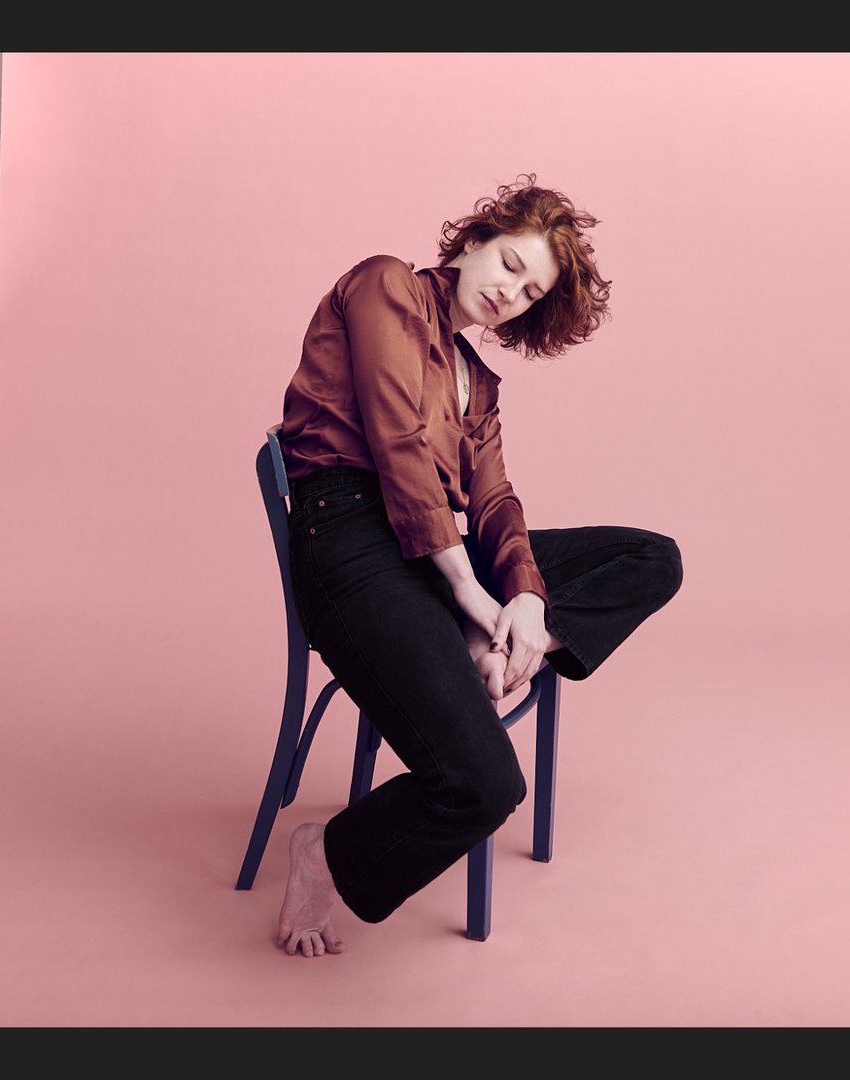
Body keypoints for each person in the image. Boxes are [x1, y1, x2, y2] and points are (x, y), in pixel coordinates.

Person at [273, 175, 683, 956]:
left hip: (431, 556)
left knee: (650, 557)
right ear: (470, 244)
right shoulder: (386, 284)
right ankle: (324, 855)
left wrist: (527, 601)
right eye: (509, 266)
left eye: (531, 291)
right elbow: (396, 449)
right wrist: (469, 590)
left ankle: (515, 647)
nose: (512, 293)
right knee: (488, 788)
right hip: (352, 548)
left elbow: (494, 502)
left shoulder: (480, 382)